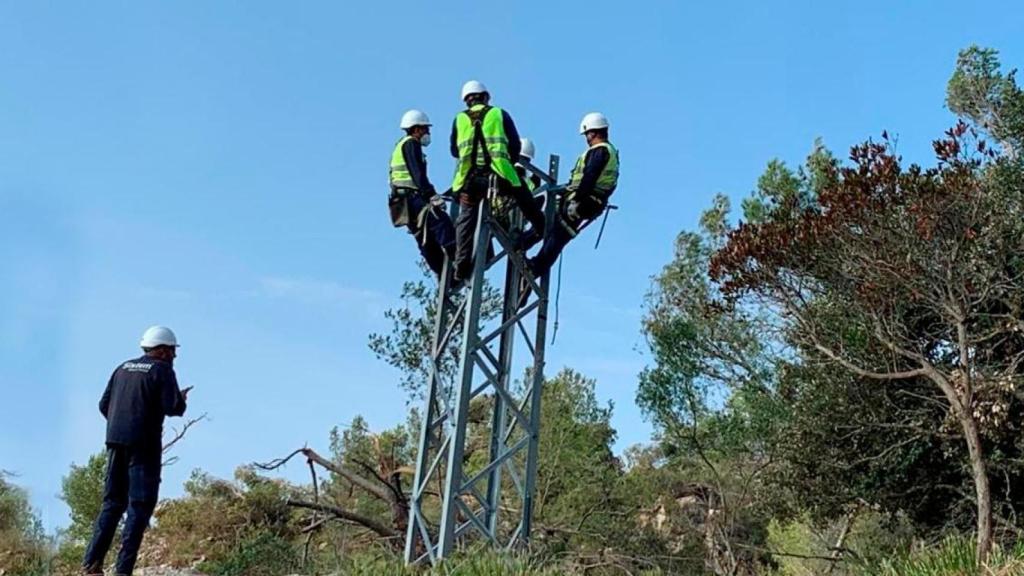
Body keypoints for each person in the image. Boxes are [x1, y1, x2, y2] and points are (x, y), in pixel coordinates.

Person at [82, 326, 189, 576]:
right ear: (162, 350)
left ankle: (91, 564)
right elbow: (173, 407)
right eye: (173, 351)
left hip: (115, 442)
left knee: (112, 503)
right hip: (144, 446)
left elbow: (103, 405)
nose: (174, 357)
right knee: (139, 507)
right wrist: (181, 399)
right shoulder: (162, 370)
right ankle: (123, 570)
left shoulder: (122, 368)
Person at [449, 81, 545, 284]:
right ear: (485, 97)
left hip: (468, 180)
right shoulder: (499, 114)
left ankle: (461, 266)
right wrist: (504, 161)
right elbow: (515, 145)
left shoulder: (459, 120)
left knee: (466, 219)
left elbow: (454, 151)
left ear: (467, 100)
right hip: (498, 176)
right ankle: (540, 226)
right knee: (523, 196)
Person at [526, 112, 620, 276]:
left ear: (593, 132)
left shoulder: (599, 151)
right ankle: (531, 258)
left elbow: (589, 176)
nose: (587, 139)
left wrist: (577, 199)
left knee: (556, 231)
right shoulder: (610, 152)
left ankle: (532, 258)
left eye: (587, 135)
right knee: (557, 231)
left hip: (583, 200)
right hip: (591, 202)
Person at [389, 109, 456, 278]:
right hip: (412, 198)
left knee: (427, 241)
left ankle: (445, 275)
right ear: (417, 129)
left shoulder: (400, 145)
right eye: (426, 129)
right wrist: (431, 195)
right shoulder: (411, 144)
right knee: (442, 224)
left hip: (402, 202)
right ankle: (459, 260)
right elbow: (418, 174)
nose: (428, 133)